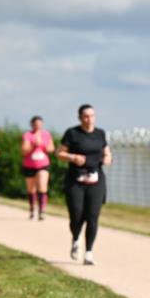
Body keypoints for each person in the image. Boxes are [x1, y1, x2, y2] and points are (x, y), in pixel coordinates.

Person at [56, 104, 111, 265]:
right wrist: (73, 157)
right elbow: (59, 153)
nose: (89, 119)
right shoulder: (72, 133)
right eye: (86, 116)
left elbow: (106, 152)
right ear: (80, 117)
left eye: (92, 115)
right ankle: (76, 239)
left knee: (93, 216)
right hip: (76, 180)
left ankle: (89, 252)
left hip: (96, 179)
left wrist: (107, 159)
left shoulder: (100, 134)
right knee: (77, 215)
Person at [21, 116, 54, 220]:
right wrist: (33, 146)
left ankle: (42, 210)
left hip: (43, 164)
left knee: (42, 186)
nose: (38, 126)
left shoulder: (46, 134)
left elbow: (51, 149)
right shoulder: (27, 135)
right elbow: (23, 151)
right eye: (35, 124)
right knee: (31, 189)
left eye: (39, 124)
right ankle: (32, 209)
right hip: (29, 165)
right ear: (32, 124)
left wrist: (43, 145)